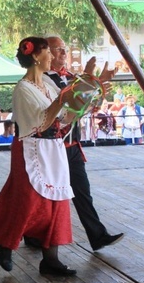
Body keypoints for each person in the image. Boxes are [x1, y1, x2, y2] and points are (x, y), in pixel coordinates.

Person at [0, 37, 79, 276]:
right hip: (31, 148)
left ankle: (51, 259)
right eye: (48, 53)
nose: (53, 58)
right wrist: (61, 100)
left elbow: (65, 117)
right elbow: (40, 121)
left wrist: (86, 97)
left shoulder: (47, 82)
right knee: (28, 201)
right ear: (36, 56)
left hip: (53, 148)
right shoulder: (23, 89)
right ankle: (4, 241)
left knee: (56, 201)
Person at [37, 35, 123, 252]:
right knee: (46, 196)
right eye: (57, 49)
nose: (63, 53)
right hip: (53, 146)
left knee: (82, 191)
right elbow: (66, 108)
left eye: (64, 49)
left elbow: (87, 107)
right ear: (46, 53)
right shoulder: (43, 80)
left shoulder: (71, 77)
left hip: (72, 144)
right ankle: (33, 236)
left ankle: (98, 236)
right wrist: (91, 81)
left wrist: (98, 85)